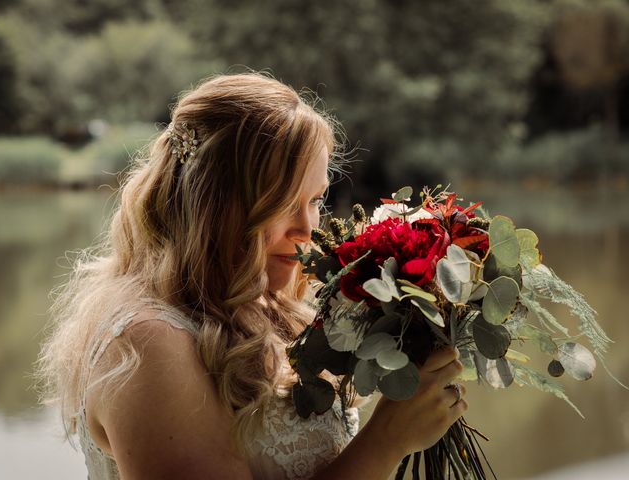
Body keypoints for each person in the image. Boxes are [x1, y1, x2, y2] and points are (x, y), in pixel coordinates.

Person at [36, 72, 467, 480]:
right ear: (212, 204)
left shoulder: (273, 305)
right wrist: (386, 443)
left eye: (316, 199)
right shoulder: (148, 340)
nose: (307, 229)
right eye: (281, 202)